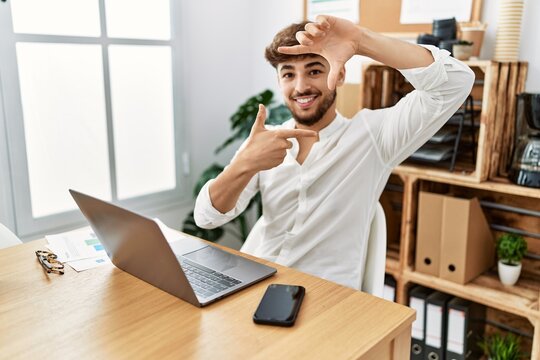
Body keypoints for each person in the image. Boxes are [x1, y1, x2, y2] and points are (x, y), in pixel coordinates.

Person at [194, 15, 474, 288]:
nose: (301, 86)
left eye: (314, 70)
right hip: (256, 282)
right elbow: (207, 218)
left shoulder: (373, 137)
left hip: (324, 298)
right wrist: (244, 164)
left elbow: (455, 83)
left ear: (339, 73)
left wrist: (360, 41)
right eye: (288, 74)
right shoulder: (264, 141)